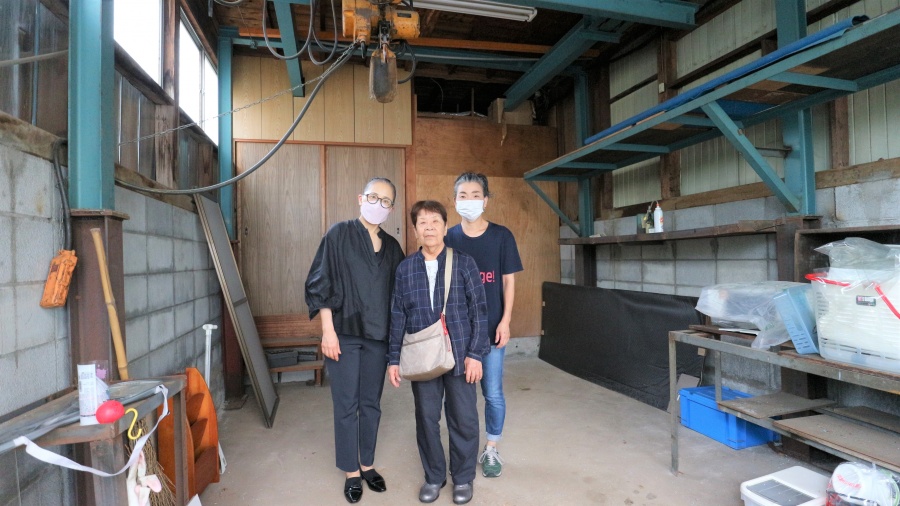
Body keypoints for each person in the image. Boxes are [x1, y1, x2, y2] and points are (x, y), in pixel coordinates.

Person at [305, 177, 405, 504]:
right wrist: (327, 331)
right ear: (360, 198)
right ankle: (351, 471)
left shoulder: (393, 248)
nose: (378, 204)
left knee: (371, 403)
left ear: (391, 208)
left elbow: (399, 296)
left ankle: (367, 464)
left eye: (386, 201)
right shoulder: (338, 234)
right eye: (373, 197)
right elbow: (320, 281)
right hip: (343, 333)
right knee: (346, 404)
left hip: (378, 336)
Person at [387, 200, 489, 505]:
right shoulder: (405, 269)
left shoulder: (464, 263)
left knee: (464, 419)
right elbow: (397, 316)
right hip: (422, 358)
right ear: (415, 230)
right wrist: (394, 359)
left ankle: (463, 477)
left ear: (445, 227)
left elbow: (479, 311)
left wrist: (476, 354)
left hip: (460, 354)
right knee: (426, 419)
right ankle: (434, 476)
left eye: (435, 222)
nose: (429, 228)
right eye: (423, 223)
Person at [445, 172, 523, 479]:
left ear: (485, 200)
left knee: (492, 392)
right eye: (462, 195)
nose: (469, 200)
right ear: (455, 201)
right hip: (457, 333)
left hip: (492, 330)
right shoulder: (449, 237)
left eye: (475, 195)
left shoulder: (502, 236)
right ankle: (462, 449)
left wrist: (505, 320)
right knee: (460, 397)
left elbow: (508, 282)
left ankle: (491, 447)